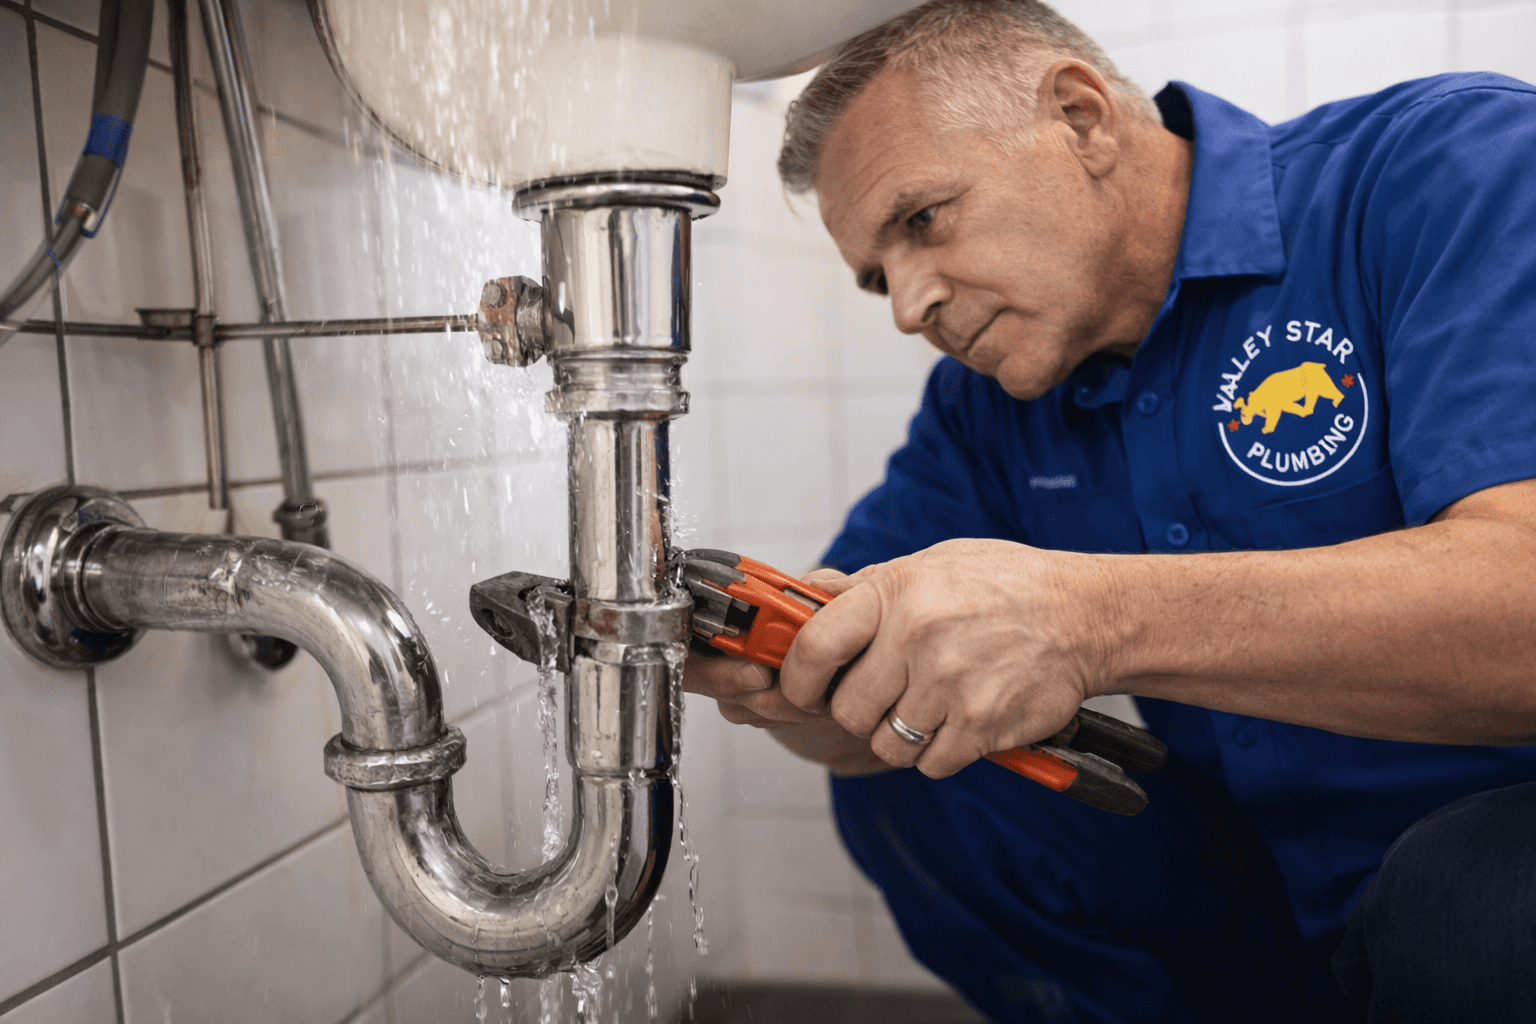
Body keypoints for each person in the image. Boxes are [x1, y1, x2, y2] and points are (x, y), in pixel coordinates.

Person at [683, 1, 1536, 1020]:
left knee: (1473, 892)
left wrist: (1088, 620)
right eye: (878, 280)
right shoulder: (986, 402)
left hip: (1492, 868)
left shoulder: (1450, 169)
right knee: (917, 776)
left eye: (922, 219)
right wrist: (804, 681)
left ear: (1082, 117)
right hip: (1273, 892)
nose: (909, 306)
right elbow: (867, 670)